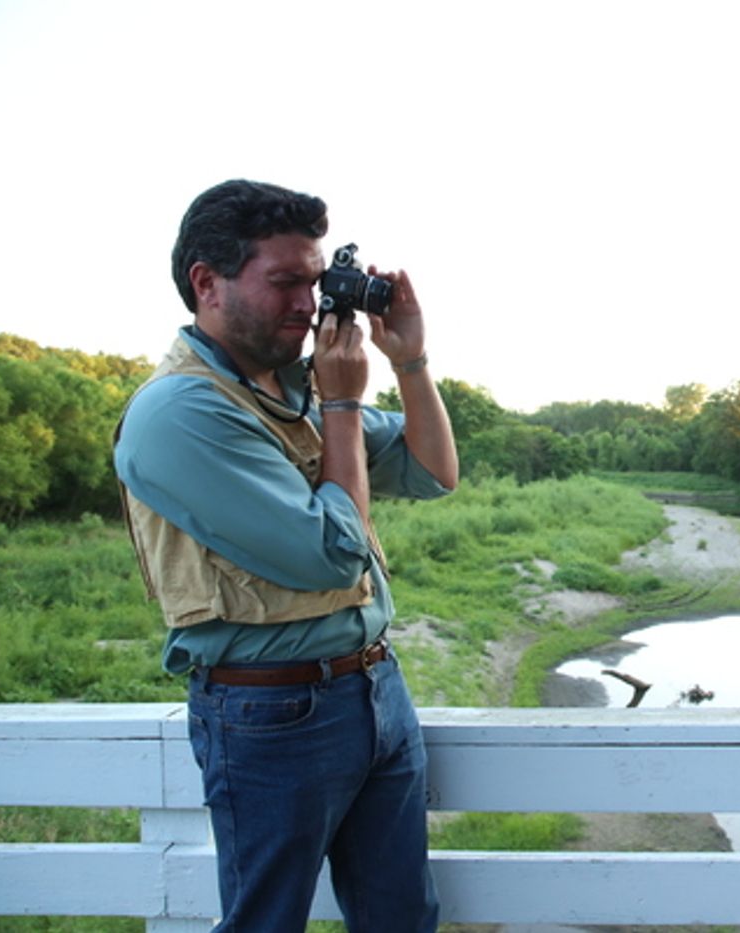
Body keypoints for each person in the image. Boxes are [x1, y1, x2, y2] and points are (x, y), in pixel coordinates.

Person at [114, 179, 458, 931]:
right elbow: (336, 557)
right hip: (271, 710)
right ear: (208, 282)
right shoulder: (183, 410)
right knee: (268, 920)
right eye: (285, 282)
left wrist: (411, 361)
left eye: (315, 280)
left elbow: (433, 472)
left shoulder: (292, 387)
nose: (310, 303)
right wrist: (341, 404)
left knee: (402, 914)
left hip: (373, 686)